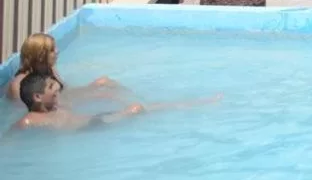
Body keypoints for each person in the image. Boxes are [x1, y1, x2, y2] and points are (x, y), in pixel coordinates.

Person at [12, 73, 219, 132]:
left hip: (95, 122)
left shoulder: (54, 107)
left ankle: (198, 102)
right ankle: (200, 104)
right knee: (139, 109)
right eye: (51, 89)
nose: (57, 89)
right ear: (37, 97)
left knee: (145, 108)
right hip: (93, 128)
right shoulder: (28, 122)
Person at [5, 33, 119, 103]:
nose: (57, 51)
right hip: (51, 112)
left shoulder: (49, 70)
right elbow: (26, 111)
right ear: (40, 56)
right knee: (104, 96)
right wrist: (92, 96)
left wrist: (91, 89)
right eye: (52, 50)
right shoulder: (20, 85)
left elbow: (65, 91)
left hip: (60, 102)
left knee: (103, 81)